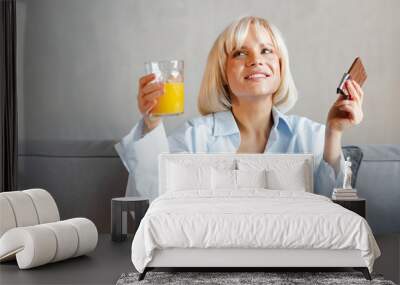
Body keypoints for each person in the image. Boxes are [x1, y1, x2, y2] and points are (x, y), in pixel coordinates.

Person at [115, 16, 364, 201]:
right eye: (240, 53)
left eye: (266, 50)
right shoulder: (194, 136)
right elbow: (151, 200)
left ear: (280, 66)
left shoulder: (311, 135)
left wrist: (334, 132)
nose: (256, 60)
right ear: (222, 73)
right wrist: (151, 122)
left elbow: (336, 210)